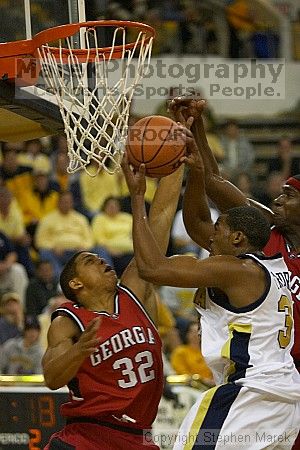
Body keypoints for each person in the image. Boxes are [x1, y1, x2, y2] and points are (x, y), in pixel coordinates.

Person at [122, 134, 300, 449]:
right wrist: (198, 172)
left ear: (237, 239)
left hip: (249, 395)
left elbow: (150, 268)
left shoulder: (236, 269)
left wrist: (137, 198)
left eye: (218, 232)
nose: (209, 239)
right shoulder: (276, 265)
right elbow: (198, 219)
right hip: (283, 402)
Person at [170, 96, 300, 449]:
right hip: (272, 377)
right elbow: (212, 181)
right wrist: (197, 127)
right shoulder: (263, 234)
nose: (277, 199)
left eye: (289, 195)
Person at [42, 163, 184, 450]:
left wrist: (176, 153)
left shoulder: (134, 291)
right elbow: (52, 378)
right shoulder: (70, 320)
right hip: (87, 436)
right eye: (89, 261)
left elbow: (162, 217)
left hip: (138, 437)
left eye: (99, 257)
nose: (101, 261)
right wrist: (79, 350)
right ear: (76, 285)